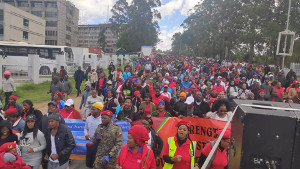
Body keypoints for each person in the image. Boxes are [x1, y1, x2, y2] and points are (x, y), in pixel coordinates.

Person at [84, 103, 103, 168]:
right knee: (89, 163)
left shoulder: (102, 120)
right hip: (89, 144)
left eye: (93, 109)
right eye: (91, 109)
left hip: (98, 145)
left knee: (96, 162)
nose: (91, 111)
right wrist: (86, 134)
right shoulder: (88, 118)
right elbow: (85, 128)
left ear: (99, 110)